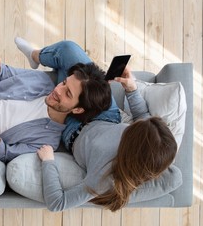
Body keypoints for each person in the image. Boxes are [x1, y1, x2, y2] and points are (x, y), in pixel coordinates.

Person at [14, 38, 177, 212]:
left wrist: (48, 162)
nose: (135, 124)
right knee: (69, 49)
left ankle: (64, 81)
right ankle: (35, 56)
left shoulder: (104, 178)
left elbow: (58, 203)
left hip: (74, 130)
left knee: (68, 81)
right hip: (107, 115)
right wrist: (131, 89)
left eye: (134, 128)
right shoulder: (150, 137)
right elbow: (143, 117)